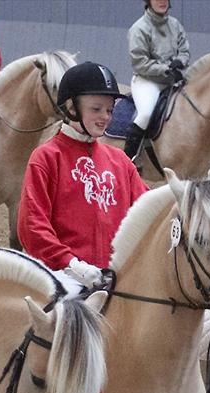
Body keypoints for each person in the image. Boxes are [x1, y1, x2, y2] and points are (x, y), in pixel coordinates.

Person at [17, 61, 147, 285]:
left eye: (109, 110)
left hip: (115, 279)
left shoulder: (121, 162)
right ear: (71, 107)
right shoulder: (46, 158)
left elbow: (149, 211)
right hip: (63, 278)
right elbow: (32, 226)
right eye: (96, 109)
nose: (105, 116)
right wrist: (71, 264)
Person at [123, 0, 189, 163]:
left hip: (172, 80)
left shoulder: (175, 25)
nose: (162, 1)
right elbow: (140, 63)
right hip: (147, 81)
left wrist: (180, 61)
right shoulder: (139, 28)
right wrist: (166, 68)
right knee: (145, 114)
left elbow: (184, 51)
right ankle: (128, 160)